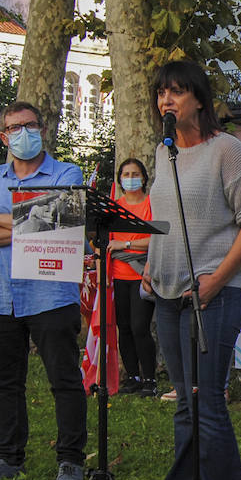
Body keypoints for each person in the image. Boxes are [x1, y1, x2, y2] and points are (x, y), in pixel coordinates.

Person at [139, 60, 241, 480]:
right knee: (183, 405)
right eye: (161, 93)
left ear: (198, 98)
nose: (166, 101)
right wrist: (151, 267)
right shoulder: (164, 151)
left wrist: (216, 279)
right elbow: (167, 219)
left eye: (176, 92)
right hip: (168, 295)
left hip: (214, 296)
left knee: (207, 403)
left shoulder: (226, 149)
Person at [0, 102, 88, 480]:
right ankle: (8, 458)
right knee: (5, 381)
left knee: (64, 379)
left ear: (43, 129)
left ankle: (70, 461)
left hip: (51, 293)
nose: (23, 133)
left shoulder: (68, 173)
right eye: (15, 128)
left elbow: (66, 226)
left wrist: (0, 220)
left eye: (30, 125)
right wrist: (33, 220)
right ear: (4, 136)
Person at [107, 158, 159, 397]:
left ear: (144, 178)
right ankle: (133, 376)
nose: (130, 178)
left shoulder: (151, 205)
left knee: (140, 327)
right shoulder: (113, 207)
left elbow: (156, 238)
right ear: (119, 179)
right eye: (126, 174)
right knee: (124, 328)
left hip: (142, 275)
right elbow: (105, 241)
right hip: (117, 275)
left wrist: (126, 244)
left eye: (135, 173)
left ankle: (150, 378)